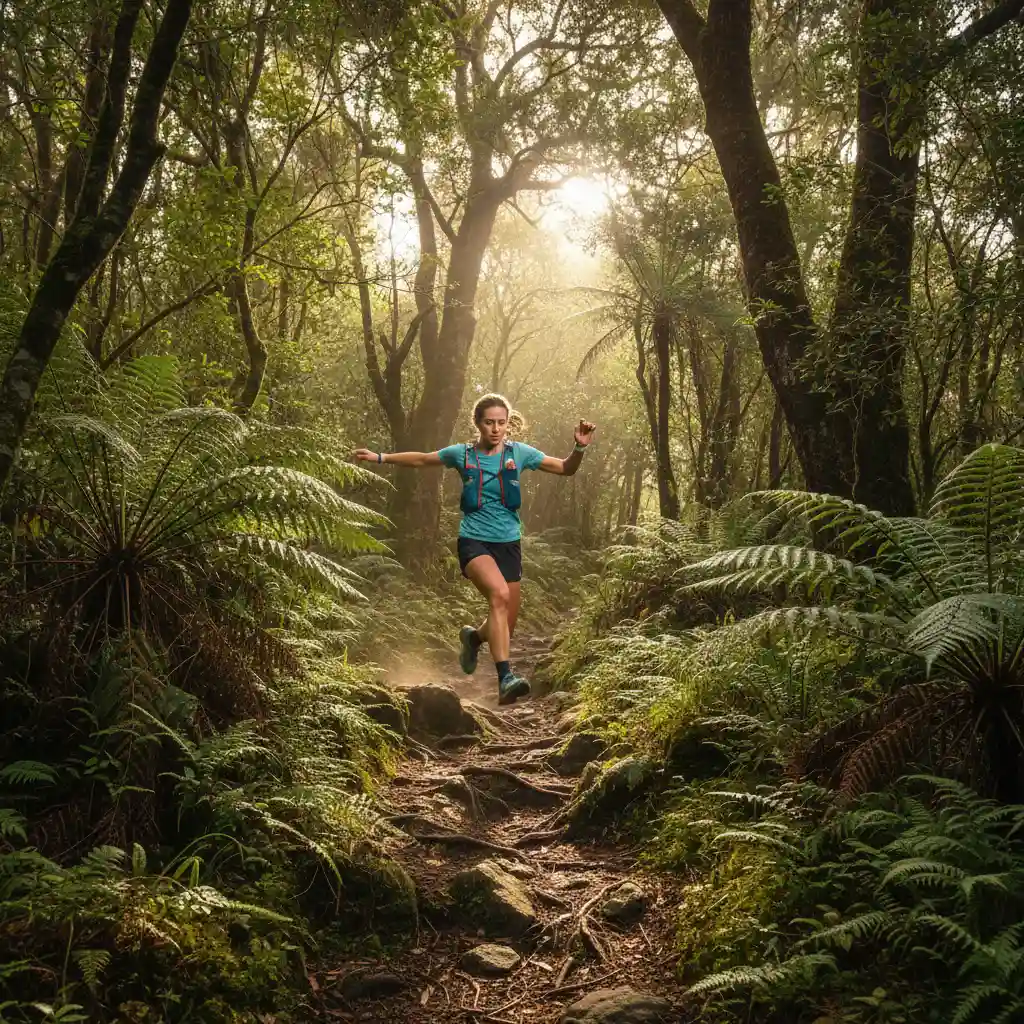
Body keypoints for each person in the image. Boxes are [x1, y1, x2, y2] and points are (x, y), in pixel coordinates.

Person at [354, 394, 596, 705]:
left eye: (501, 422)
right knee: (499, 596)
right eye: (489, 422)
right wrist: (379, 457)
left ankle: (474, 637)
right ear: (478, 423)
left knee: (506, 622)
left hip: (508, 543)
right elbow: (423, 459)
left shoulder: (520, 453)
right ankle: (505, 678)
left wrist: (579, 447)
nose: (495, 429)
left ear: (508, 424)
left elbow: (565, 469)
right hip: (474, 540)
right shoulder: (462, 454)